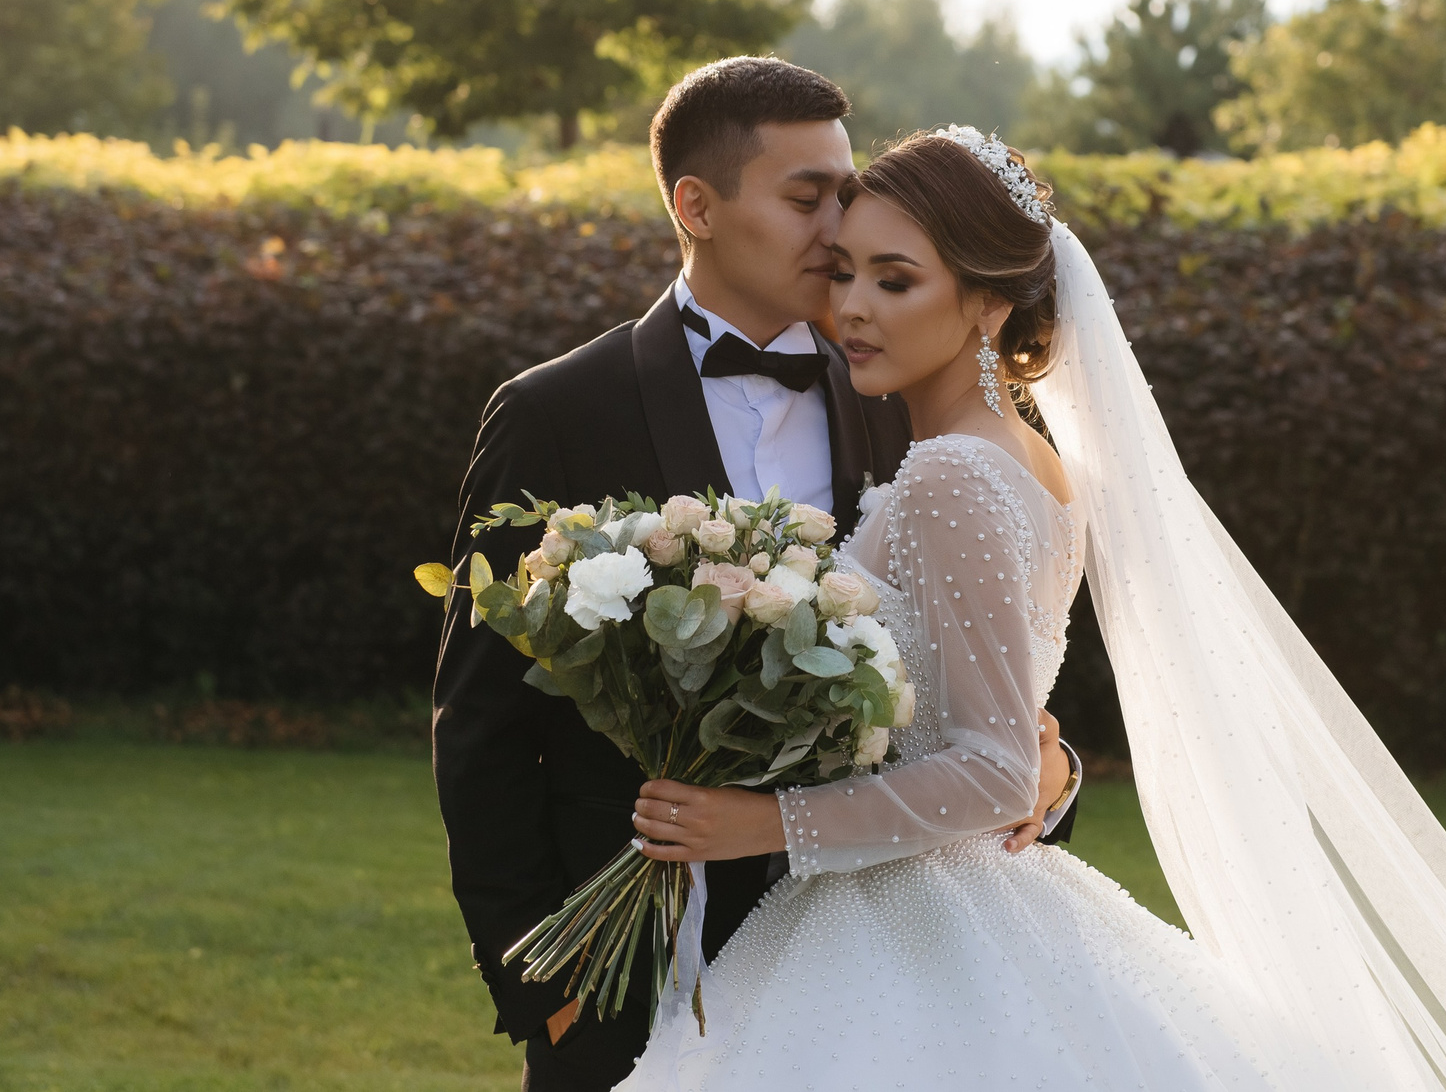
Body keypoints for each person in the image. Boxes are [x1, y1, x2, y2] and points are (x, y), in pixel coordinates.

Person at [618, 128, 1446, 1092]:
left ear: (984, 305)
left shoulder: (950, 478)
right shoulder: (1032, 463)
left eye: (896, 278)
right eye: (844, 271)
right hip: (960, 893)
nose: (853, 307)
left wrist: (760, 819)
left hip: (914, 907)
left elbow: (994, 767)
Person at [431, 60, 1082, 1092]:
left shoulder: (898, 388)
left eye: (845, 188)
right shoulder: (557, 412)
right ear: (697, 204)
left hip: (874, 964)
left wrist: (1051, 781)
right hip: (628, 974)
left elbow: (977, 675)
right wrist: (538, 977)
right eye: (804, 196)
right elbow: (480, 724)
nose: (838, 226)